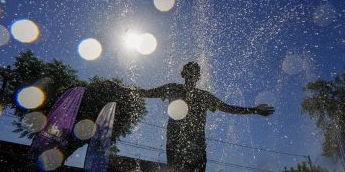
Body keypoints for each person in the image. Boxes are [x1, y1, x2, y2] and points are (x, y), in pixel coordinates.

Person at [108, 62, 274, 172]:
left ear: (198, 77)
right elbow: (146, 93)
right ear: (183, 74)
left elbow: (228, 108)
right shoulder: (172, 88)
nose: (191, 76)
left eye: (195, 74)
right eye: (189, 73)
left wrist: (254, 110)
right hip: (174, 143)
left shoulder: (204, 97)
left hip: (197, 147)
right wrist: (122, 89)